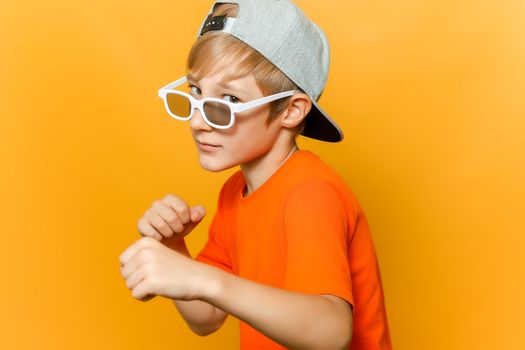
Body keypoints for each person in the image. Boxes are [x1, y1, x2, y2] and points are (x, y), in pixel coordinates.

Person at [119, 0, 392, 349]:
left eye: (230, 100)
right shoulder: (235, 192)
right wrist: (175, 249)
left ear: (291, 111)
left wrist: (203, 279)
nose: (198, 121)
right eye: (197, 92)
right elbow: (206, 318)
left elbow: (331, 333)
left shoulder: (310, 192)